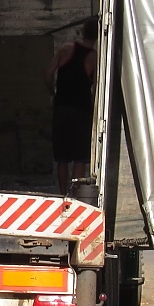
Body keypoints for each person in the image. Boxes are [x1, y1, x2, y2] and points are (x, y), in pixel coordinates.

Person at [45, 17, 99, 196]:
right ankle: (74, 196)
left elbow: (47, 74)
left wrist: (54, 94)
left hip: (62, 109)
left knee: (62, 158)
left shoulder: (65, 49)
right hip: (81, 112)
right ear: (98, 35)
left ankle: (62, 194)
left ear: (82, 31)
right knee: (79, 158)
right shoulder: (94, 57)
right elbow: (96, 89)